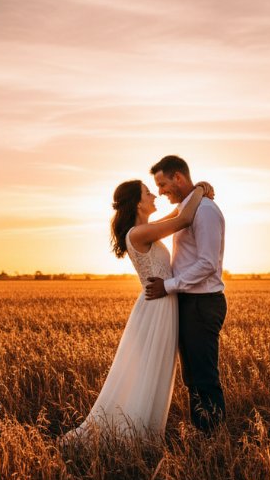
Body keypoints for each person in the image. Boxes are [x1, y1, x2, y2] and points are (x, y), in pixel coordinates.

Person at [63, 177, 213, 441]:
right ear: (137, 203)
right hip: (156, 308)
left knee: (155, 368)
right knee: (150, 368)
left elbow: (178, 213)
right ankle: (134, 433)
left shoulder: (145, 228)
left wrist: (195, 193)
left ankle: (143, 430)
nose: (154, 195)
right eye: (147, 193)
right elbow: (183, 220)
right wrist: (200, 189)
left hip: (161, 304)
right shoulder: (139, 233)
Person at [145, 155, 227, 433]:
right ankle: (204, 431)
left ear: (178, 177)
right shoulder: (187, 210)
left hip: (203, 303)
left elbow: (207, 263)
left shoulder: (204, 211)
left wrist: (167, 287)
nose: (160, 191)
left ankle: (213, 438)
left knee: (203, 376)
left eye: (162, 184)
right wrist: (202, 188)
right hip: (189, 301)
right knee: (191, 376)